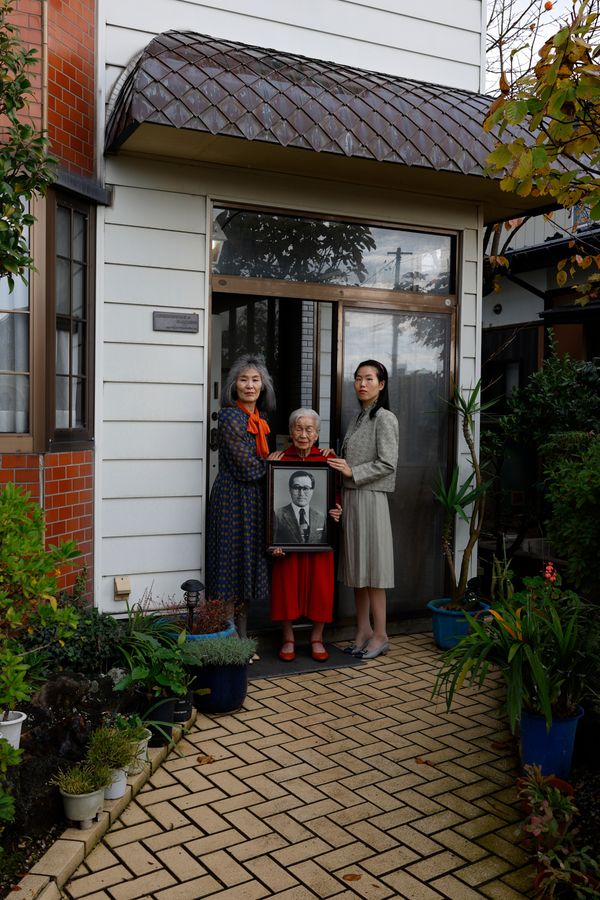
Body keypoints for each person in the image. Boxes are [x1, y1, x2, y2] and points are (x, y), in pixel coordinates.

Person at [328, 360, 399, 660]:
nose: (362, 384)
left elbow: (388, 463)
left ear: (381, 384)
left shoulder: (385, 418)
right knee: (357, 570)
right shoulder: (358, 417)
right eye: (358, 378)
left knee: (373, 571)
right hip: (353, 499)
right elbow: (351, 460)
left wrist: (352, 471)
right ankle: (363, 630)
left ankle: (381, 634)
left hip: (371, 498)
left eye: (369, 379)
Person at [205, 354, 276, 635]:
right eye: (243, 380)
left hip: (253, 500)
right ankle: (229, 636)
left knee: (247, 568)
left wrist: (273, 463)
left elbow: (260, 464)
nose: (250, 385)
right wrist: (275, 464)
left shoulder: (260, 419)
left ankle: (243, 637)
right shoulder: (229, 416)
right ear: (233, 385)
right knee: (229, 569)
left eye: (255, 380)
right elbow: (247, 467)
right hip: (231, 499)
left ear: (263, 385)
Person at [269, 409, 335, 662]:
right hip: (286, 545)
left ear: (317, 434)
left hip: (321, 541)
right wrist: (271, 541)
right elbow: (268, 503)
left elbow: (337, 495)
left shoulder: (327, 460)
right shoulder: (278, 460)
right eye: (298, 428)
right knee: (285, 586)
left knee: (321, 587)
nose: (303, 434)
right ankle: (288, 638)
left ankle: (317, 638)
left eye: (309, 429)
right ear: (290, 432)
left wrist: (337, 510)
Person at [273, 470, 327, 545]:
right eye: (296, 487)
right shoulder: (277, 515)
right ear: (290, 490)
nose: (301, 493)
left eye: (306, 488)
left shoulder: (321, 517)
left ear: (312, 491)